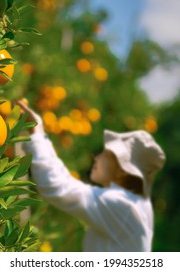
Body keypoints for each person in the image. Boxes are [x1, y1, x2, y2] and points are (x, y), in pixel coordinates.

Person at [16, 100, 166, 252]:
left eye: (106, 155)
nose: (97, 157)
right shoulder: (133, 204)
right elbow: (65, 183)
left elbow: (57, 186)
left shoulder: (121, 206)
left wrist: (37, 133)